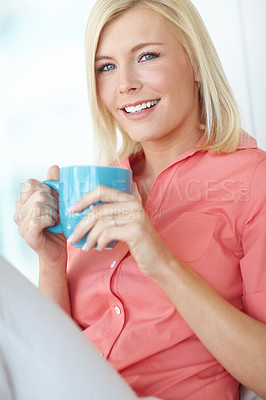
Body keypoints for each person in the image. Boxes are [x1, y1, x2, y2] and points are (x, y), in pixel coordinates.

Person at [1, 0, 265, 399]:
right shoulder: (102, 184)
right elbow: (53, 357)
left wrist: (159, 259)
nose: (125, 83)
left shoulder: (252, 180)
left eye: (146, 56)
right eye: (106, 67)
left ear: (195, 64)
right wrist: (52, 261)